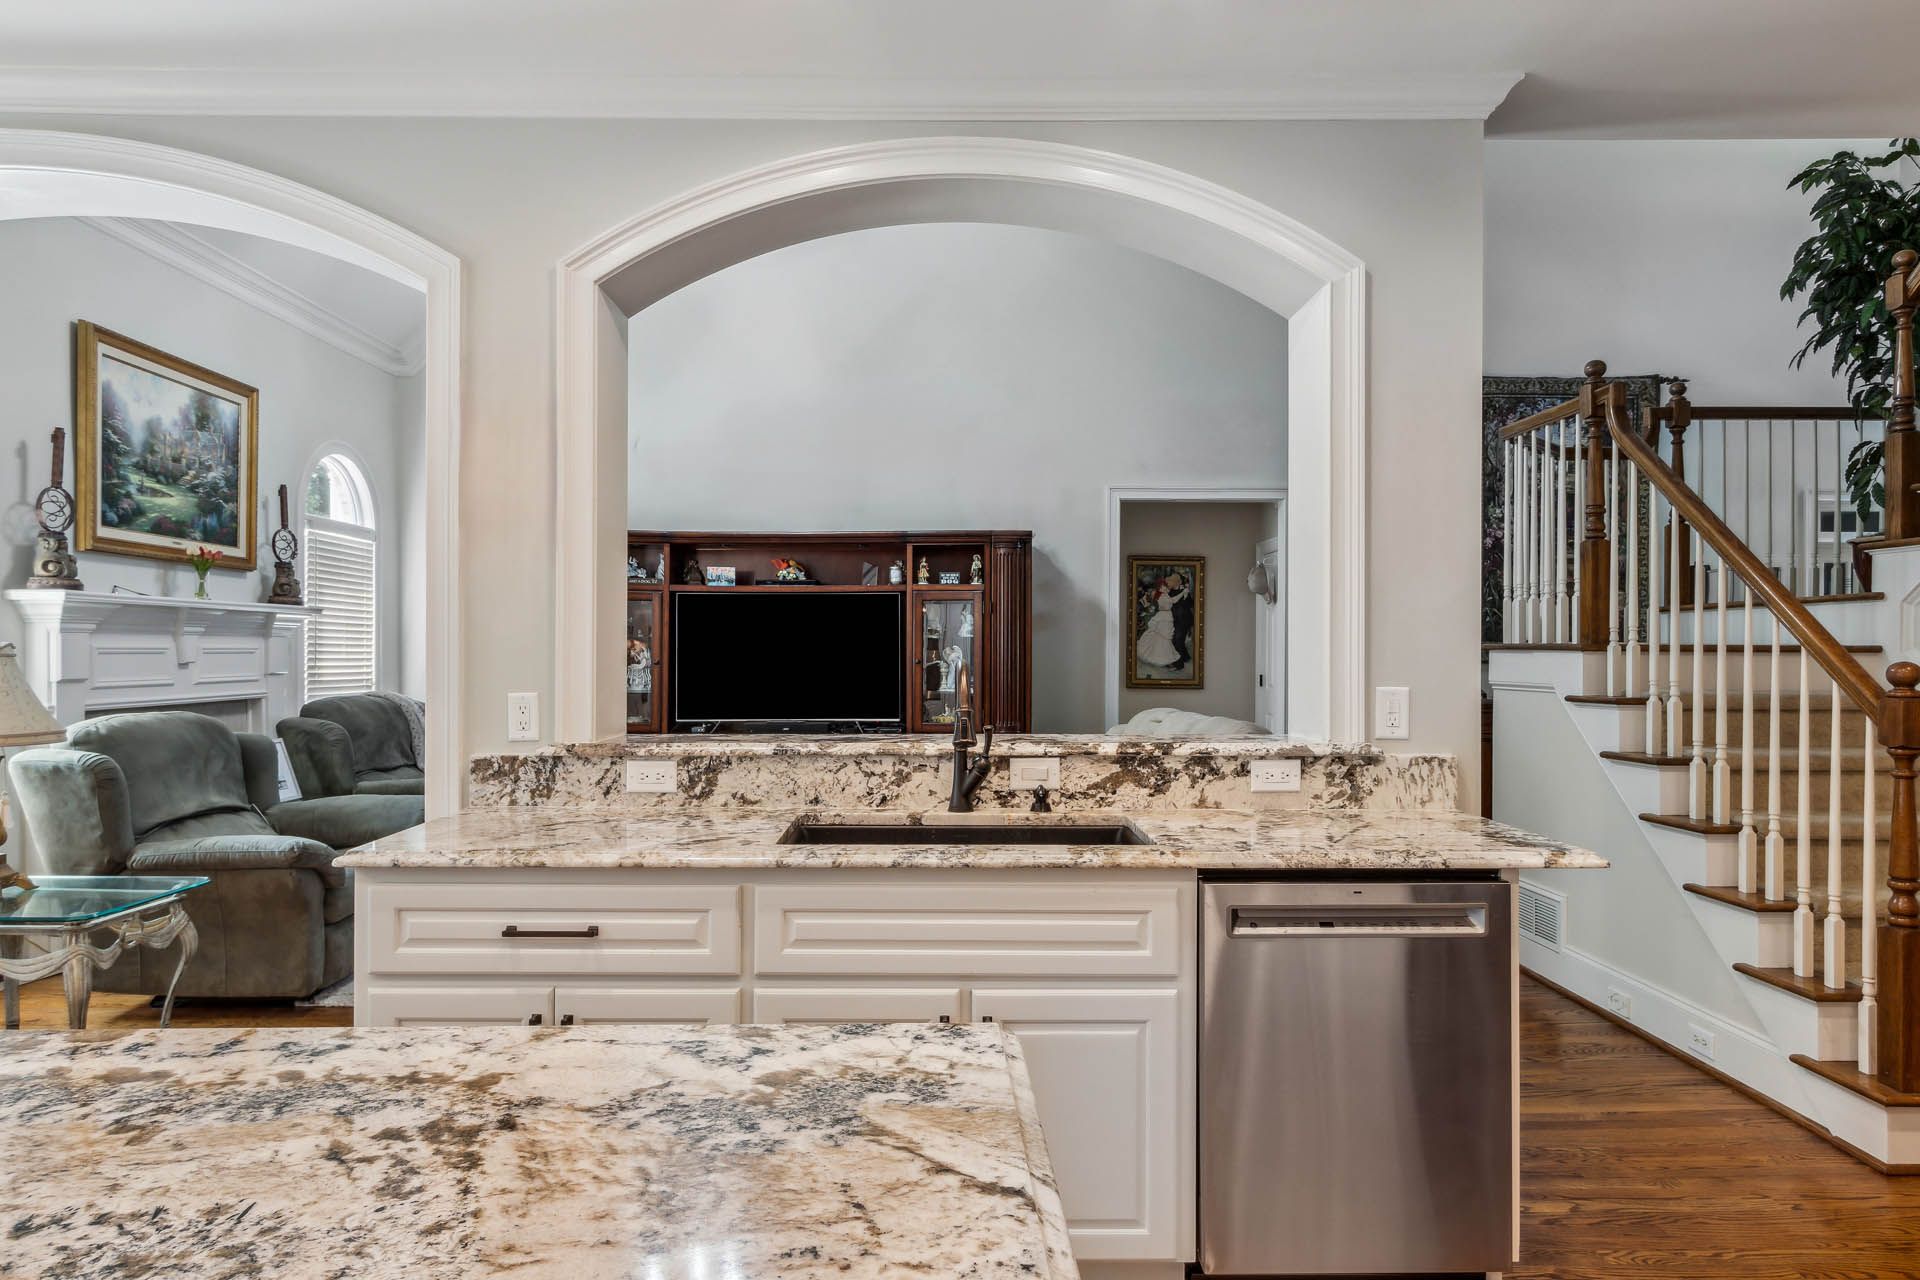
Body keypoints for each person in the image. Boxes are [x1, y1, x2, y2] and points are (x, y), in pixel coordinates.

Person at [1135, 575, 1189, 670]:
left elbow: (1173, 600)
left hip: (1167, 618)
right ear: (1160, 588)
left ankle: (1169, 659)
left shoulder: (1165, 595)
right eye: (1163, 587)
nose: (1166, 588)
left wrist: (1182, 592)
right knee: (1164, 639)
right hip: (1164, 618)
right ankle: (1166, 659)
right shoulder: (1161, 596)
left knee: (1164, 639)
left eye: (1165, 586)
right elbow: (1171, 602)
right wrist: (1182, 593)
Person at [1168, 571, 1196, 668]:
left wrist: (1186, 596)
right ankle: (1185, 657)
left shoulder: (1184, 591)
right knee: (1176, 640)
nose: (1169, 583)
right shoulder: (1170, 592)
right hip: (1175, 620)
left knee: (1178, 640)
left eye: (1171, 581)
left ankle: (1178, 664)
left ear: (1177, 582)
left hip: (1183, 620)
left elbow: (1191, 604)